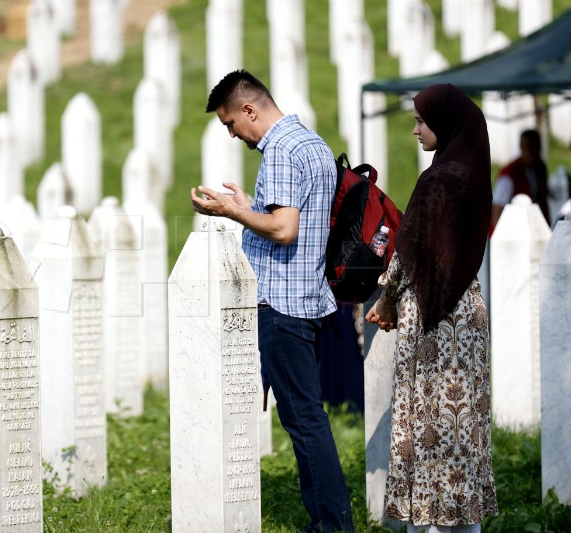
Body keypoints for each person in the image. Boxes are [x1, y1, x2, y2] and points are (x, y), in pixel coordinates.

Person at [191, 69, 354, 533]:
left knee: (303, 420)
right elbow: (291, 219)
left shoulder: (279, 149)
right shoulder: (310, 142)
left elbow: (284, 231)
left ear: (249, 109)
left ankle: (332, 526)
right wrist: (251, 206)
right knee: (307, 416)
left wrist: (231, 211)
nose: (232, 134)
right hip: (308, 300)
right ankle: (332, 520)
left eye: (230, 124)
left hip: (281, 306)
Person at [365, 83, 498, 533]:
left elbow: (409, 253)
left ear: (444, 123)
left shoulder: (438, 179)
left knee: (427, 427)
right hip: (466, 314)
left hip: (431, 321)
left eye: (421, 121)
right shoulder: (473, 172)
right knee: (460, 430)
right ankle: (463, 523)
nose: (416, 131)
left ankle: (429, 522)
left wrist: (385, 299)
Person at [490, 129, 549, 232]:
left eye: (536, 146)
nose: (533, 151)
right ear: (521, 147)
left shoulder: (540, 168)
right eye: (529, 147)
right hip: (514, 234)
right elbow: (497, 211)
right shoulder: (510, 174)